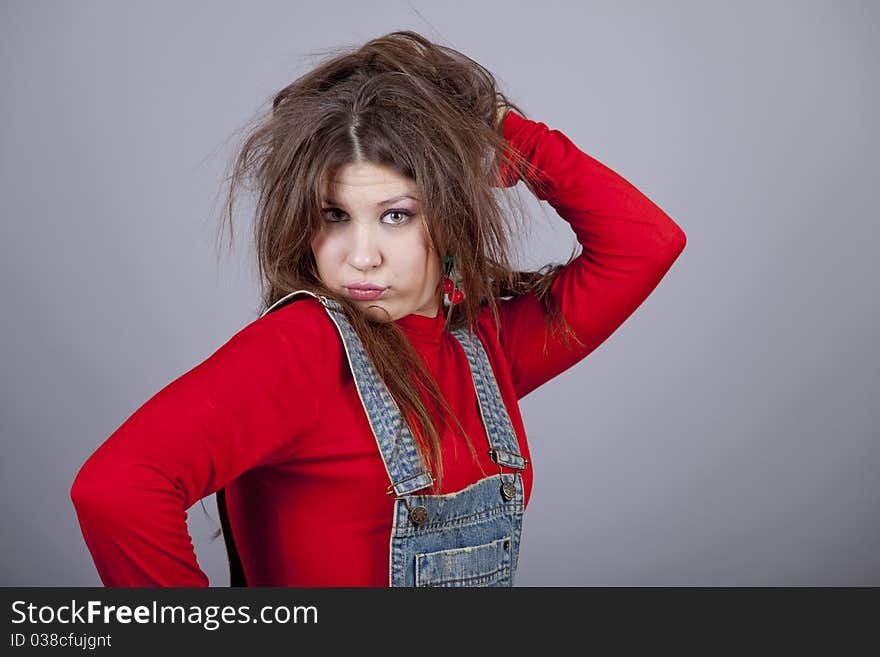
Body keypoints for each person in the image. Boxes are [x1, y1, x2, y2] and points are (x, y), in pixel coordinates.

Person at [70, 30, 686, 587]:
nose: (360, 257)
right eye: (334, 216)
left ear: (452, 217)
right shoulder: (302, 349)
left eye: (397, 215)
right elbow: (116, 491)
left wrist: (506, 132)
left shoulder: (483, 348)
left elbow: (645, 244)